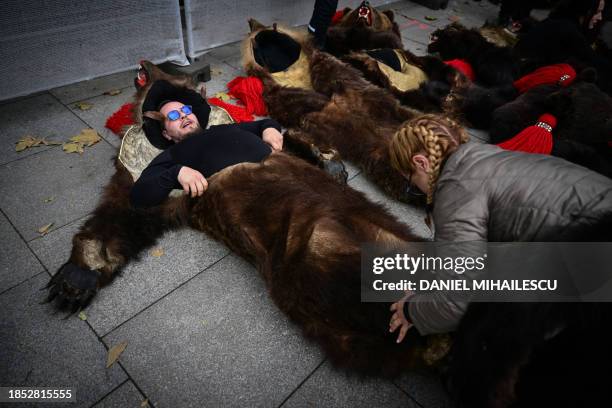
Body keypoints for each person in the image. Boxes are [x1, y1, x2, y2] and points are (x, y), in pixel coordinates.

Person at [385, 114, 612, 340]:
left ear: (421, 163)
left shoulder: (457, 191)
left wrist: (411, 310)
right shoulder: (488, 156)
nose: (417, 190)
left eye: (411, 183)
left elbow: (458, 301)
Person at [131, 95, 283, 208]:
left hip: (284, 168)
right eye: (173, 115)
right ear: (166, 134)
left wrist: (269, 129)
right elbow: (138, 195)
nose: (183, 115)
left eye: (185, 109)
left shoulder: (223, 128)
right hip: (254, 195)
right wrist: (175, 173)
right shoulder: (174, 154)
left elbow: (265, 123)